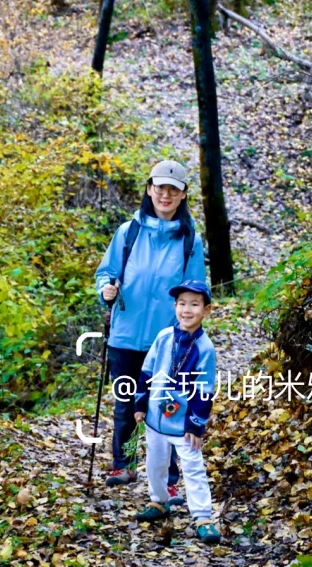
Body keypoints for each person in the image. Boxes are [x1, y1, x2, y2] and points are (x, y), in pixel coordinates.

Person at [93, 159, 207, 495]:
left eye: (173, 189)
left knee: (167, 404)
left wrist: (187, 330)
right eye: (160, 187)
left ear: (184, 194)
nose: (165, 194)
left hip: (168, 340)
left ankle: (168, 481)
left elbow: (196, 289)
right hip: (125, 335)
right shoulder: (128, 232)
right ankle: (123, 465)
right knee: (125, 402)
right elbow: (106, 272)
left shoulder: (190, 240)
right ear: (149, 190)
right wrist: (106, 290)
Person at [134, 281, 221, 544]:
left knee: (192, 466)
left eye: (194, 304)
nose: (187, 309)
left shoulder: (204, 348)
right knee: (155, 462)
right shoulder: (164, 338)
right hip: (155, 418)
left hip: (183, 423)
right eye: (182, 303)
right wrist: (139, 403)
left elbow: (204, 390)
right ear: (175, 306)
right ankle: (159, 501)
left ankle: (203, 516)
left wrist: (196, 424)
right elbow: (147, 371)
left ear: (206, 310)